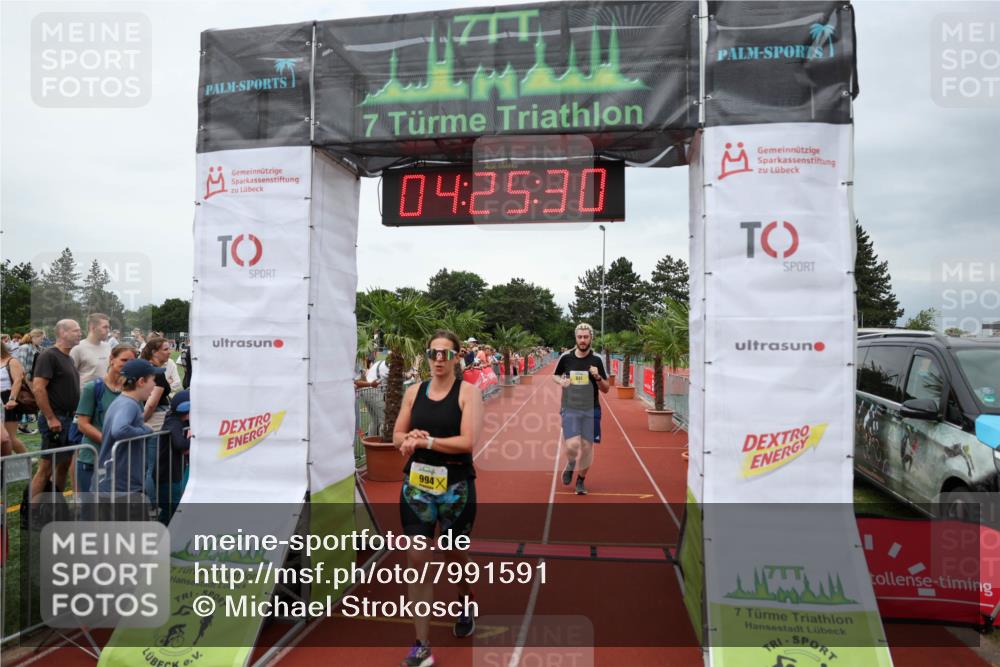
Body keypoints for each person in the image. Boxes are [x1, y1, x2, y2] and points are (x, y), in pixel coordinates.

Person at [394, 329, 483, 667]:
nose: (439, 359)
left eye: (446, 353)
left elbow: (467, 442)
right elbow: (397, 434)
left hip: (456, 488)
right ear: (427, 356)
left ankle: (464, 599)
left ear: (458, 357)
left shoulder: (468, 394)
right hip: (417, 486)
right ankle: (421, 644)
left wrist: (427, 441)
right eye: (434, 353)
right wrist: (408, 438)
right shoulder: (414, 392)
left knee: (453, 556)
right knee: (417, 558)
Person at [553, 323, 609, 496]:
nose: (583, 340)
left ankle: (581, 481)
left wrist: (598, 377)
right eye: (580, 337)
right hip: (570, 407)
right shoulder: (566, 357)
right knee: (572, 445)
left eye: (586, 337)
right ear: (576, 338)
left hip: (591, 409)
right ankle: (571, 463)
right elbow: (555, 375)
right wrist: (561, 381)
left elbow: (606, 388)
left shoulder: (597, 360)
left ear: (591, 338)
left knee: (586, 447)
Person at [29, 319, 82, 501]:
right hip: (56, 420)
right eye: (76, 330)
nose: (79, 333)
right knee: (45, 468)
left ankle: (55, 506)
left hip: (68, 419)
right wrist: (51, 418)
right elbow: (38, 387)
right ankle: (32, 512)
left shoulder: (68, 357)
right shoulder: (49, 356)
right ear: (62, 333)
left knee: (64, 465)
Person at [74, 344, 136, 493]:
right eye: (124, 360)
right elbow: (82, 424)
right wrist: (108, 441)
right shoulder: (93, 388)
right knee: (91, 510)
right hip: (93, 459)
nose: (127, 364)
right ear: (111, 359)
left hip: (121, 461)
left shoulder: (132, 390)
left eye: (132, 361)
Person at [96, 359, 162, 496]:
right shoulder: (129, 404)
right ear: (141, 382)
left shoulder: (124, 401)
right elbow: (120, 429)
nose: (155, 385)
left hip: (119, 482)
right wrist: (146, 430)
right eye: (153, 380)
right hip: (122, 484)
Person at [140, 337, 172, 497]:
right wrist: (140, 422)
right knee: (151, 467)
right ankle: (152, 505)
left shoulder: (150, 369)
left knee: (148, 466)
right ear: (154, 352)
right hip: (156, 421)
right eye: (166, 349)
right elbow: (151, 403)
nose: (169, 352)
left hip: (154, 419)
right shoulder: (155, 372)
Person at [157, 390, 191, 523]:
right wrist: (194, 440)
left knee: (173, 509)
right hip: (168, 475)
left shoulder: (181, 423)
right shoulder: (173, 422)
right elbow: (179, 444)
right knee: (172, 509)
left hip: (175, 473)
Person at [71, 313, 112, 388]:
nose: (108, 330)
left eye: (108, 327)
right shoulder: (77, 348)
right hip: (84, 397)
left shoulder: (108, 347)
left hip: (104, 396)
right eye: (105, 327)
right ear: (93, 328)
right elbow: (70, 377)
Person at [14, 329, 44, 434]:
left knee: (30, 403)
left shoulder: (39, 349)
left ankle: (22, 426)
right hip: (22, 380)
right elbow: (21, 368)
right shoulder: (24, 348)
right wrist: (29, 384)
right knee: (24, 403)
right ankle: (20, 426)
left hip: (32, 379)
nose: (42, 340)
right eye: (41, 338)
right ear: (34, 338)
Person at [1, 342, 28, 454]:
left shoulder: (12, 361)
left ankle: (26, 460)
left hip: (8, 399)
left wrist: (12, 399)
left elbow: (17, 380)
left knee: (10, 437)